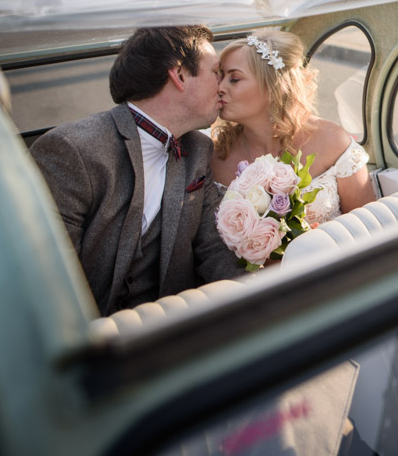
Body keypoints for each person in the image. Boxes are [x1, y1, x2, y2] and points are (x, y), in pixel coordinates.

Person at [31, 25, 243, 316]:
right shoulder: (71, 149)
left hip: (171, 327)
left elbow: (213, 247)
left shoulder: (197, 150)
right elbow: (51, 277)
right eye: (215, 72)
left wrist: (262, 298)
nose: (221, 86)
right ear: (179, 75)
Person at [211, 29, 374, 225]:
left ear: (273, 86)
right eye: (220, 77)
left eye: (234, 79)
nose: (220, 87)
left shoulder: (332, 141)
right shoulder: (216, 158)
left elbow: (369, 230)